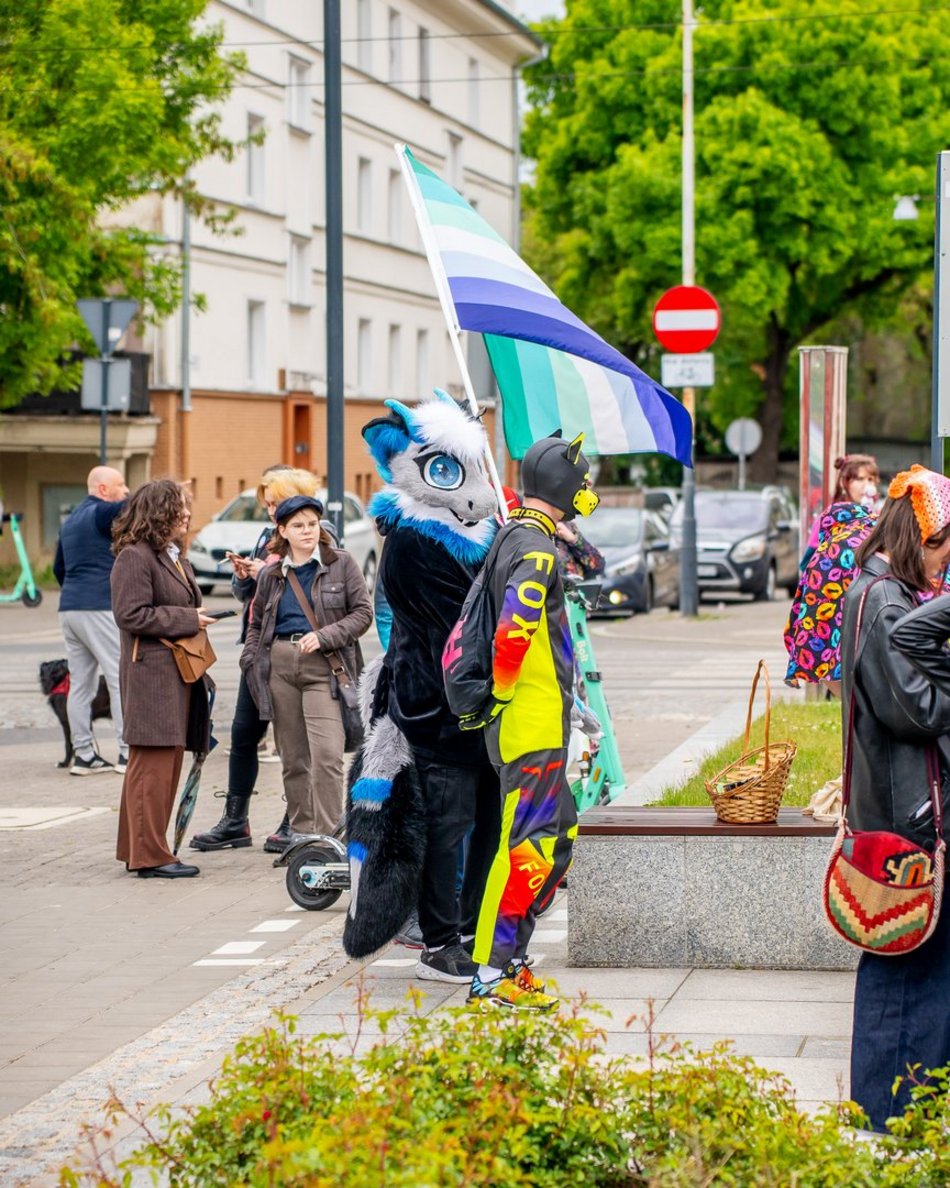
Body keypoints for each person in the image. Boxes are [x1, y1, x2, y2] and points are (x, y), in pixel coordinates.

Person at [361, 393, 501, 983]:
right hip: (436, 709)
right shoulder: (415, 541)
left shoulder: (480, 533)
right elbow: (459, 626)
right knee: (448, 824)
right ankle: (439, 939)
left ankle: (471, 927)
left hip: (480, 705)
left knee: (489, 819)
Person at [458, 431, 600, 1012]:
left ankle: (510, 955)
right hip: (530, 722)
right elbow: (513, 629)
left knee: (556, 835)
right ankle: (491, 976)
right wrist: (505, 691)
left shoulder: (519, 535)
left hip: (536, 719)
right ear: (565, 486)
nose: (589, 492)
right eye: (584, 482)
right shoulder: (536, 550)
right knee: (528, 849)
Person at [840, 464, 950, 1129]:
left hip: (900, 806)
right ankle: (886, 1116)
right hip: (904, 813)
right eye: (939, 545)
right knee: (903, 969)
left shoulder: (879, 592)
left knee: (918, 967)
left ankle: (910, 1110)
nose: (944, 561)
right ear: (914, 535)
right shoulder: (882, 598)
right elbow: (909, 709)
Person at [189, 465, 319, 854]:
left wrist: (271, 571)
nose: (269, 511)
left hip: (293, 652)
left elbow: (319, 593)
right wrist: (245, 575)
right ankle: (235, 820)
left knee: (293, 741)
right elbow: (247, 594)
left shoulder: (314, 537)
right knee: (244, 734)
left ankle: (294, 819)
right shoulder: (269, 535)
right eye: (267, 505)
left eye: (275, 503)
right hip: (257, 649)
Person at [240, 495, 373, 838]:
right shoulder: (271, 573)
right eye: (298, 526)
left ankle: (331, 837)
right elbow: (256, 624)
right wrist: (251, 660)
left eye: (312, 524)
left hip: (324, 667)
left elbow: (362, 613)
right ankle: (301, 836)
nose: (307, 531)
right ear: (282, 531)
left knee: (327, 754)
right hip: (280, 666)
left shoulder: (341, 563)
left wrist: (326, 635)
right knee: (294, 758)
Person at [111, 480, 216, 878]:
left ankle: (138, 848)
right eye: (177, 508)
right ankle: (151, 856)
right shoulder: (135, 558)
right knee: (152, 765)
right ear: (156, 512)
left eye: (186, 508)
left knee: (163, 762)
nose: (186, 515)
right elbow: (132, 614)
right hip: (151, 674)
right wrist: (190, 619)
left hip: (174, 672)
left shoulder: (171, 556)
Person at [53, 466, 130, 774]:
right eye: (121, 484)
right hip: (99, 606)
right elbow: (132, 505)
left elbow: (60, 567)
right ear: (101, 489)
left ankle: (83, 755)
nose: (125, 490)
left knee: (80, 684)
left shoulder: (70, 520)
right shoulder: (101, 513)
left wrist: (75, 592)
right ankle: (127, 753)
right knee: (119, 677)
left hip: (69, 608)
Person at [785, 454, 880, 695]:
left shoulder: (880, 515)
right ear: (844, 482)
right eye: (859, 479)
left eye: (871, 478)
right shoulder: (831, 518)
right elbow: (810, 560)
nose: (866, 484)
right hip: (834, 599)